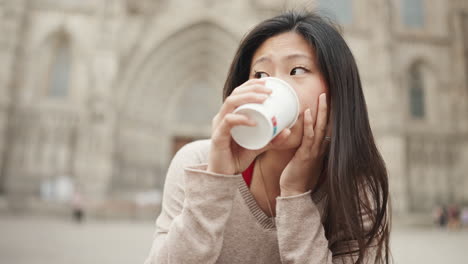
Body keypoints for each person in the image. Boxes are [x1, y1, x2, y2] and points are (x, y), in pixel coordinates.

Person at [145, 11, 390, 264]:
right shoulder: (195, 161)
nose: (272, 86)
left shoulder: (353, 187)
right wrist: (215, 180)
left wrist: (295, 194)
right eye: (260, 75)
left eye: (297, 70)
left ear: (338, 91)